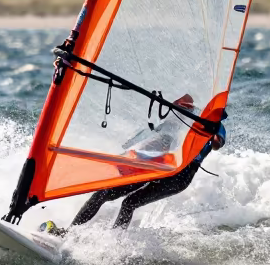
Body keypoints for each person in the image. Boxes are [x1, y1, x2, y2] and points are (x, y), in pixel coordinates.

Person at [52, 94, 226, 232]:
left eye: (184, 105)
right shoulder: (167, 124)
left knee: (130, 203)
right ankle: (69, 232)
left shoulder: (209, 124)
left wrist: (211, 128)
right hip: (154, 165)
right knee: (103, 192)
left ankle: (115, 244)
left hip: (180, 174)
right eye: (178, 104)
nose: (178, 107)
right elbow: (139, 144)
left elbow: (218, 142)